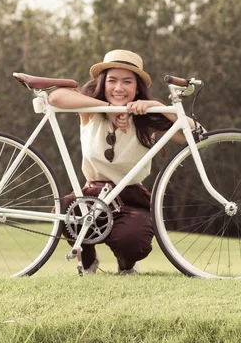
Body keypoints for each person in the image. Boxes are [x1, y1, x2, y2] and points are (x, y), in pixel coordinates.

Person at [48, 49, 203, 275]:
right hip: (92, 195)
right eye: (112, 80)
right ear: (103, 83)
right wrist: (110, 108)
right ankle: (88, 260)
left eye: (127, 81)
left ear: (137, 87)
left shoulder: (147, 120)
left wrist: (157, 106)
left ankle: (127, 265)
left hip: (131, 198)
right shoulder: (91, 110)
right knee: (63, 211)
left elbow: (198, 135)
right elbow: (56, 97)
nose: (119, 88)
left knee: (133, 240)